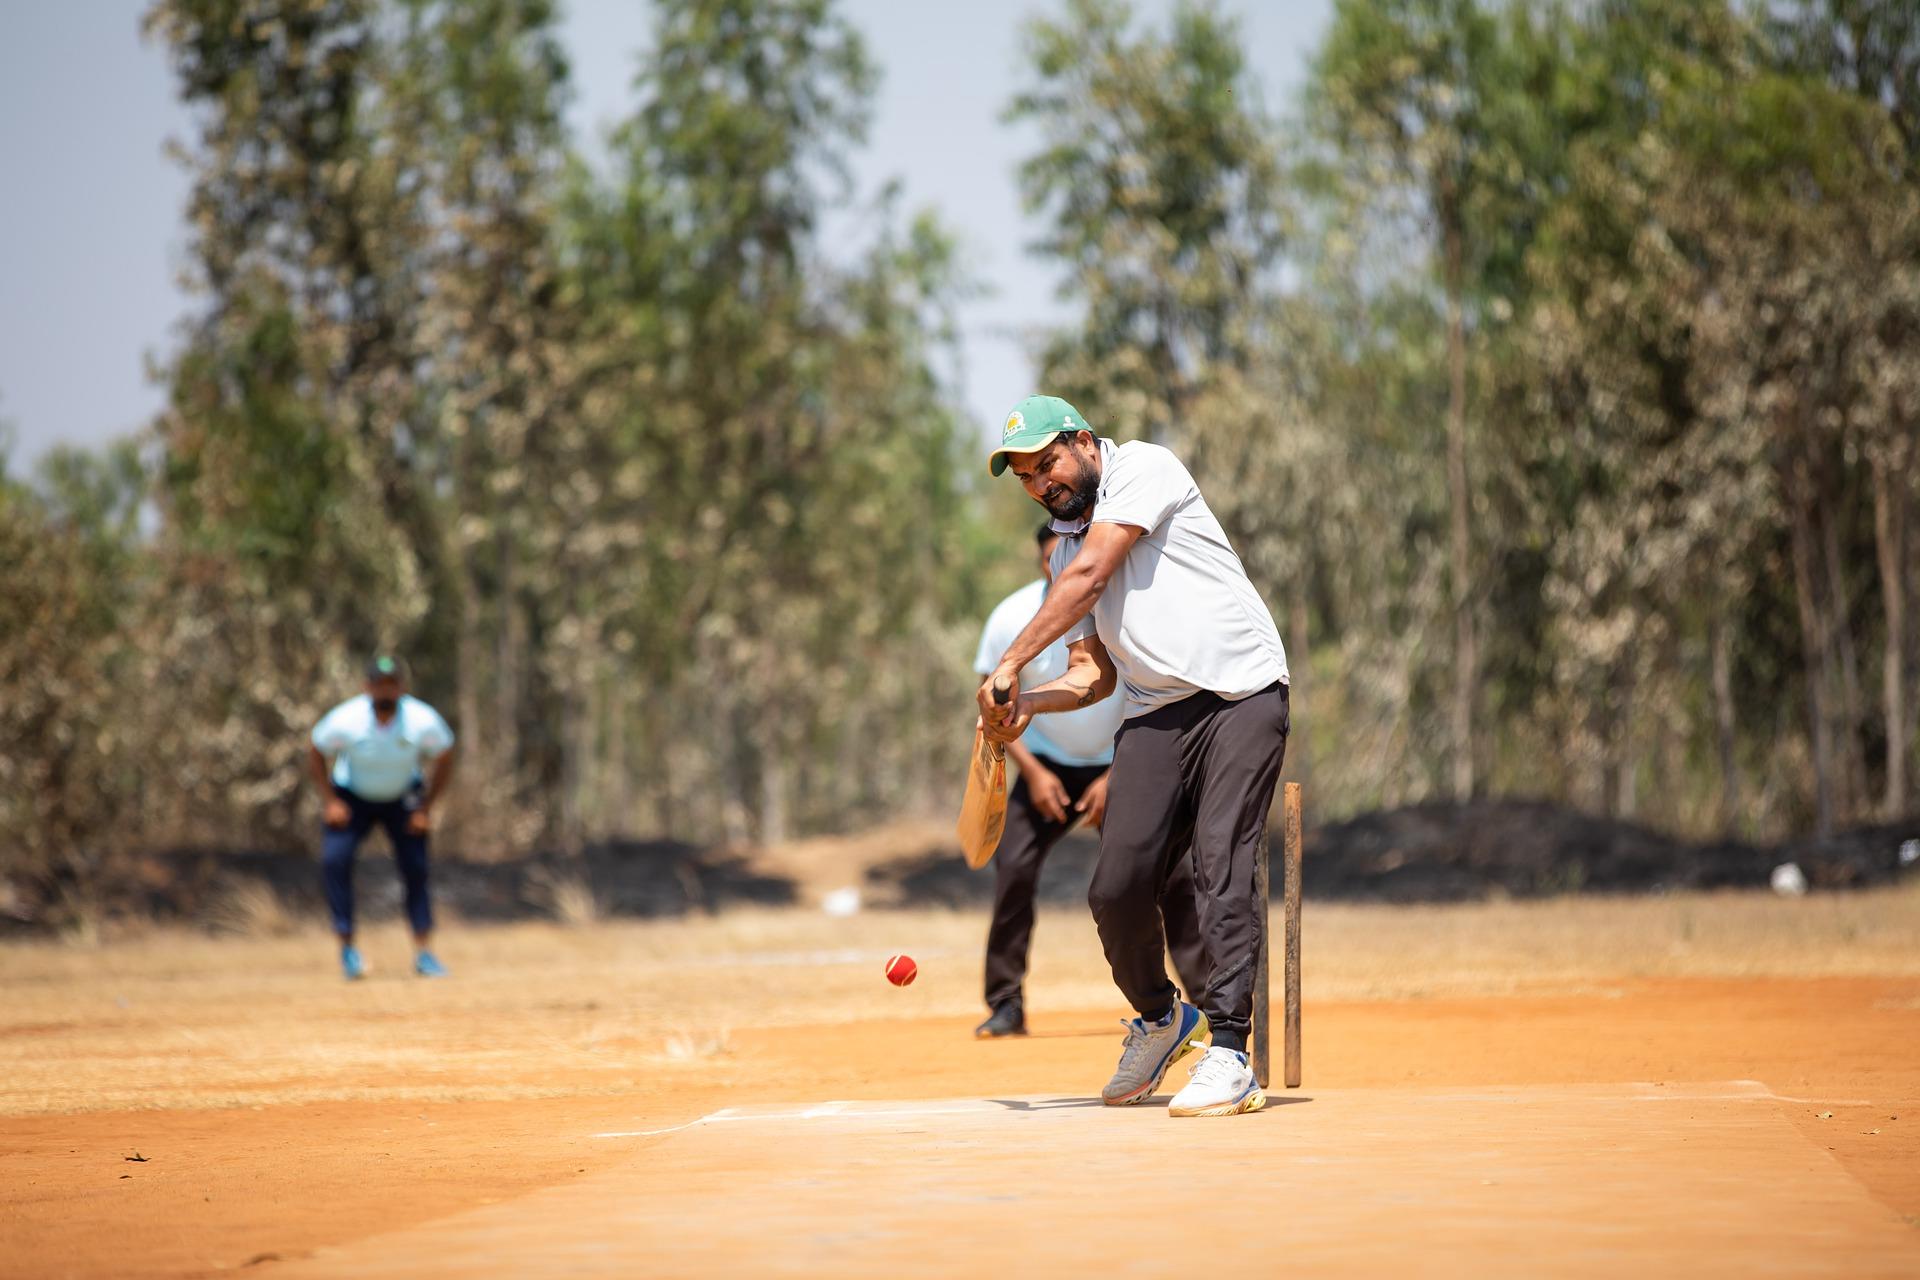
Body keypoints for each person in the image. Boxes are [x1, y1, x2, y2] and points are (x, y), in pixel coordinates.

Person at [978, 395, 1289, 1118]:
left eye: (1046, 464)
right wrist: (1030, 705)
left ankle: (1232, 1053)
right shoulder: (1062, 545)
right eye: (1024, 477)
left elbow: (1090, 578)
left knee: (1220, 865)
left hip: (1240, 693)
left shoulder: (1144, 468)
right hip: (1155, 713)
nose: (1040, 484)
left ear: (1085, 442)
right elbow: (1093, 675)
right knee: (1115, 886)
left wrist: (1010, 666)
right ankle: (1160, 1018)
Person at [972, 525, 1210, 1039]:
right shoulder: (1011, 619)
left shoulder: (1121, 612)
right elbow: (991, 703)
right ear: (1046, 568)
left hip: (1123, 761)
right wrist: (1032, 773)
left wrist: (1114, 775)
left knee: (1169, 876)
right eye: (1055, 565)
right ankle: (1005, 1005)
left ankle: (1208, 999)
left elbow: (1150, 694)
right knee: (1013, 870)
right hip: (1045, 764)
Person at [308, 656, 457, 980]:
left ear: (401, 687)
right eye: (379, 684)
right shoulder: (347, 719)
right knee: (335, 861)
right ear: (368, 687)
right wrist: (331, 801)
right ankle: (347, 949)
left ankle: (424, 953)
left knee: (416, 867)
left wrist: (425, 808)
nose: (385, 690)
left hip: (403, 797)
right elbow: (316, 749)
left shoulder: (421, 720)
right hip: (352, 796)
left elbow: (445, 755)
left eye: (392, 684)